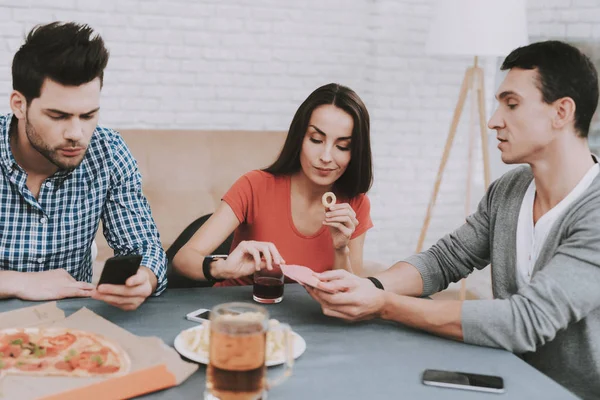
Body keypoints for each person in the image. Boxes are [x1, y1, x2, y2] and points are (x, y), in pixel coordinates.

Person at [305, 41, 600, 400]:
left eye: (511, 104)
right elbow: (445, 259)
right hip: (500, 377)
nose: (493, 120)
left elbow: (525, 321)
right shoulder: (509, 190)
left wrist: (384, 306)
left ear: (561, 112)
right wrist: (372, 288)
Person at [0, 22, 167, 310]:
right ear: (19, 104)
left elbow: (145, 248)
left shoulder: (108, 151)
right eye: (58, 116)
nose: (76, 133)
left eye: (88, 115)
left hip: (73, 332)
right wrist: (18, 281)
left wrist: (144, 278)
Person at [173, 83, 373, 286]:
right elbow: (183, 259)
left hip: (306, 316)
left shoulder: (357, 204)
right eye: (316, 140)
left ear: (355, 152)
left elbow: (354, 294)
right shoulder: (255, 186)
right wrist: (223, 267)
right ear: (299, 138)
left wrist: (341, 249)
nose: (326, 157)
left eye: (342, 146)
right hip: (239, 311)